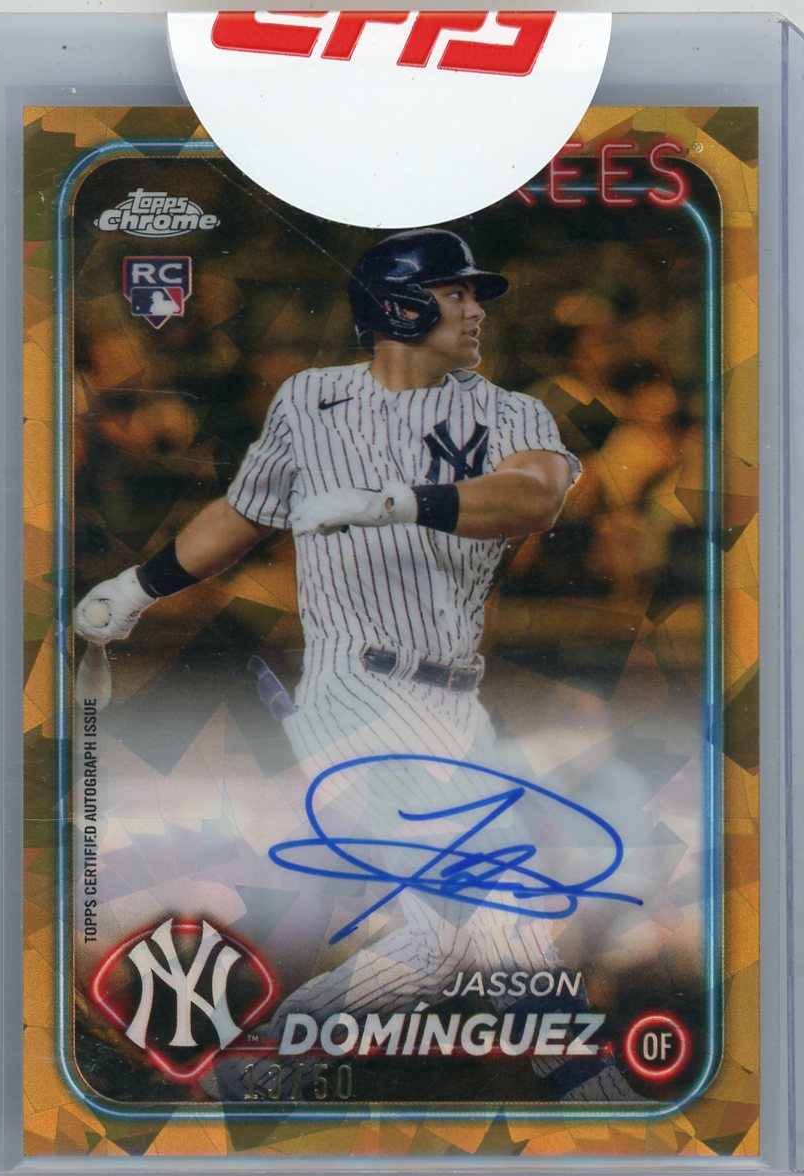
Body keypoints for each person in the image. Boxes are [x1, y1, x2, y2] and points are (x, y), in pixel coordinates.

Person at [75, 229, 637, 1102]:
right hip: (357, 690)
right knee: (502, 906)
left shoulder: (511, 412)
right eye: (457, 294)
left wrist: (401, 501)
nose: (477, 311)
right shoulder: (311, 400)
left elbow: (533, 496)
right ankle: (596, 1093)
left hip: (454, 698)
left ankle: (248, 1072)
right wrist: (138, 587)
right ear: (401, 307)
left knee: (438, 946)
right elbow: (244, 513)